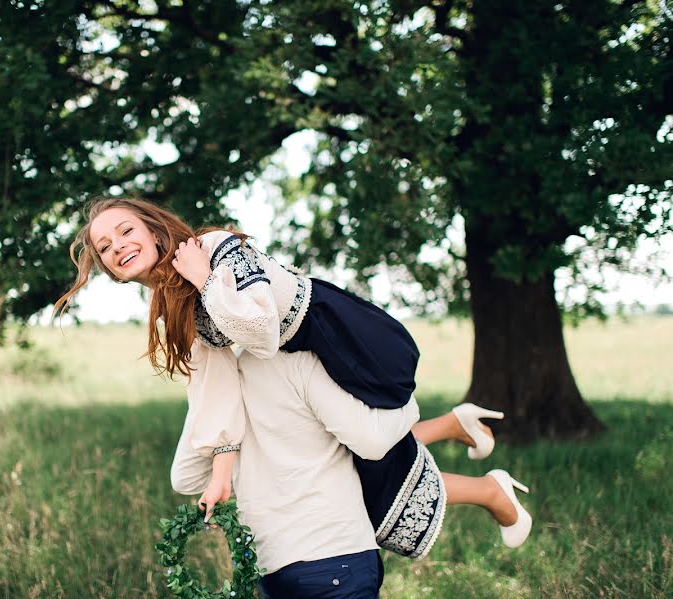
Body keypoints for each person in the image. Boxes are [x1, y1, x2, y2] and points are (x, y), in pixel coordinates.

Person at [53, 197, 531, 551]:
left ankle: (430, 426)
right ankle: (454, 427)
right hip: (289, 363)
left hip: (343, 341)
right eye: (105, 246)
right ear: (110, 270)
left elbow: (258, 331)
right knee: (188, 473)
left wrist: (204, 278)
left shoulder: (214, 249)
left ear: (153, 230)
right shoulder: (172, 301)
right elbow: (214, 378)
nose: (117, 246)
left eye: (124, 231)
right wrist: (221, 463)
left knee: (368, 447)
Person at [171, 348, 532, 598]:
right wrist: (208, 390)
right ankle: (459, 437)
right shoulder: (225, 386)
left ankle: (477, 471)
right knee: (343, 456)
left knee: (353, 455)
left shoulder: (287, 359)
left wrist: (208, 393)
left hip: (322, 561)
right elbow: (186, 478)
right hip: (286, 564)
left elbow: (369, 443)